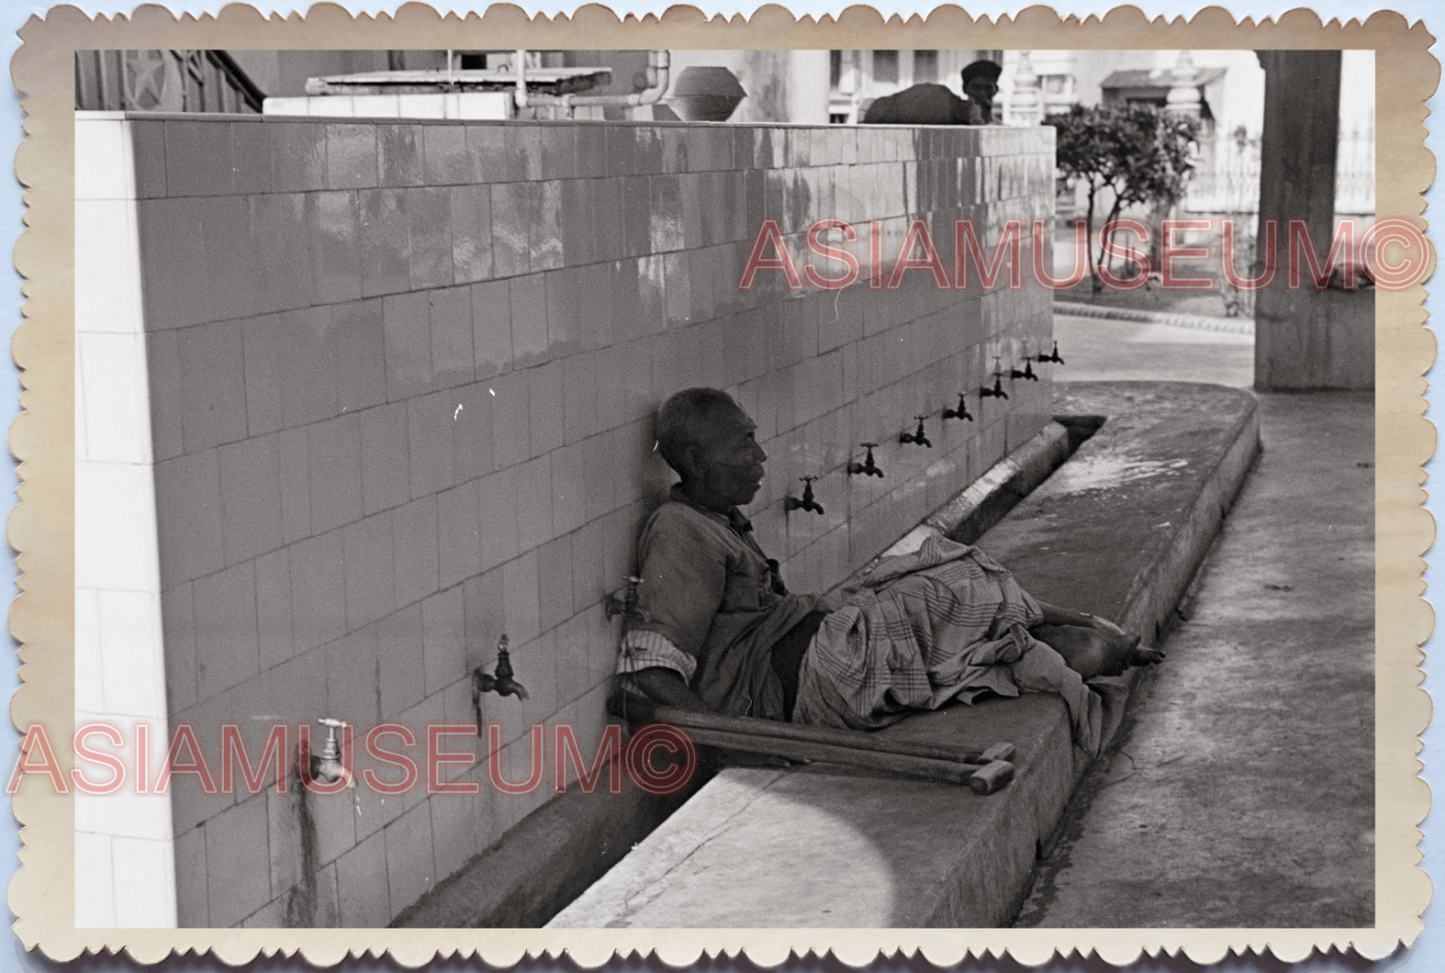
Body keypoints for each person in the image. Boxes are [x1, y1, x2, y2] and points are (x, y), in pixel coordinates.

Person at [616, 389, 1163, 750]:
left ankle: (1081, 631)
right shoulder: (679, 531)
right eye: (744, 443)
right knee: (953, 589)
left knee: (942, 564)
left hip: (831, 643)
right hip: (817, 679)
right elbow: (651, 669)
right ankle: (1093, 639)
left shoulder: (715, 518)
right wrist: (749, 743)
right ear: (694, 459)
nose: (761, 457)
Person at [861, 58, 1002, 125]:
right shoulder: (948, 111)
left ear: (996, 90)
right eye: (976, 87)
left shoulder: (999, 127)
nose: (983, 94)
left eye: (988, 88)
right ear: (964, 89)